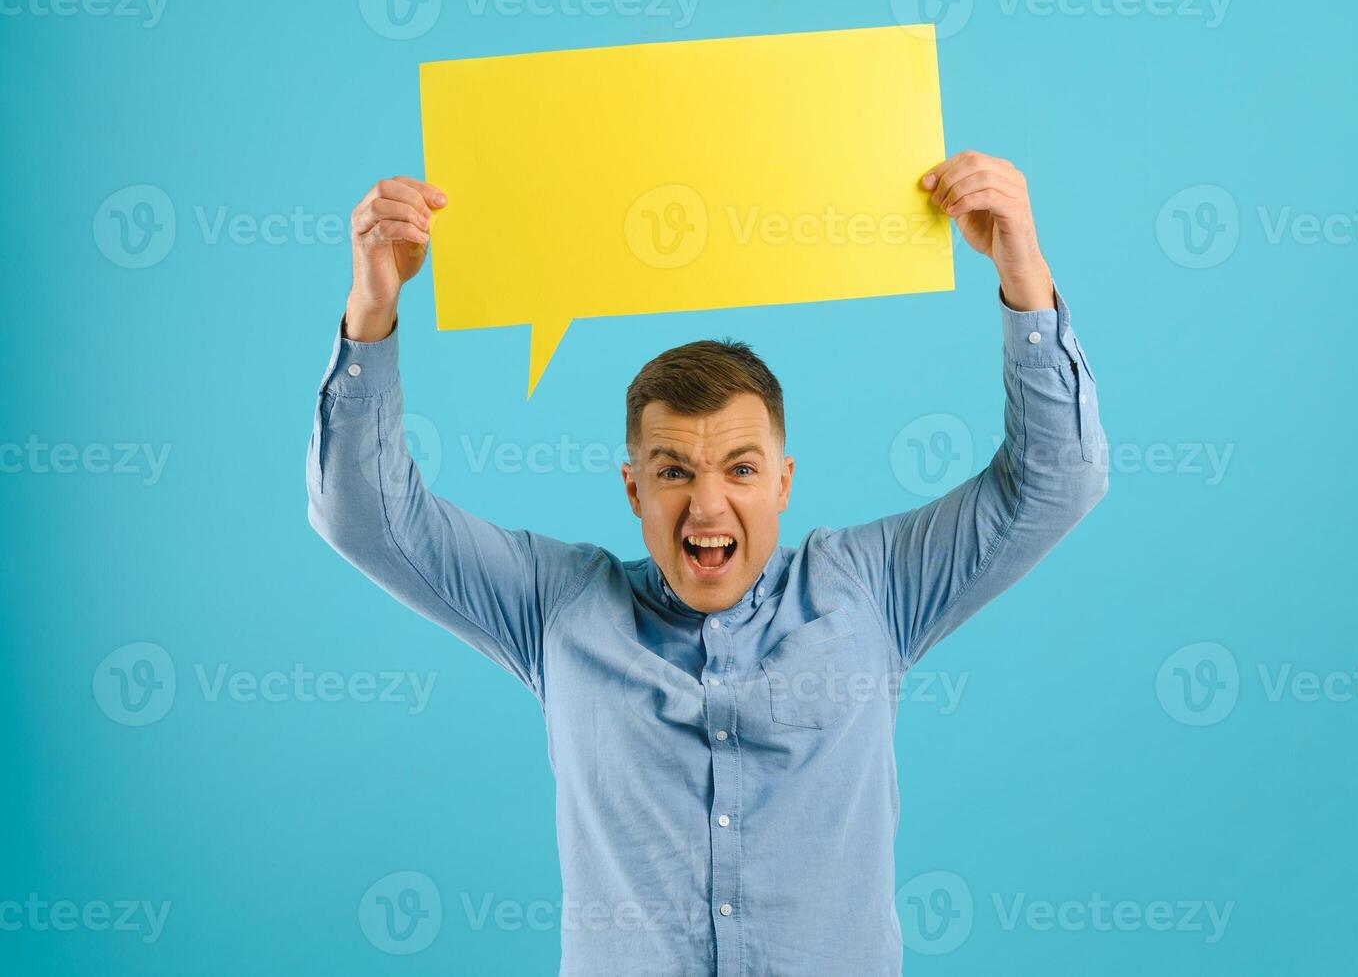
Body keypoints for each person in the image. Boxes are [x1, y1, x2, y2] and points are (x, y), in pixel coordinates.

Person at [307, 151, 1107, 976]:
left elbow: (1056, 479)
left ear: (785, 482)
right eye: (673, 471)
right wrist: (372, 306)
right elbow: (364, 517)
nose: (707, 506)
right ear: (633, 488)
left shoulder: (870, 589)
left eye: (741, 468)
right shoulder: (557, 607)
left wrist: (1022, 270)